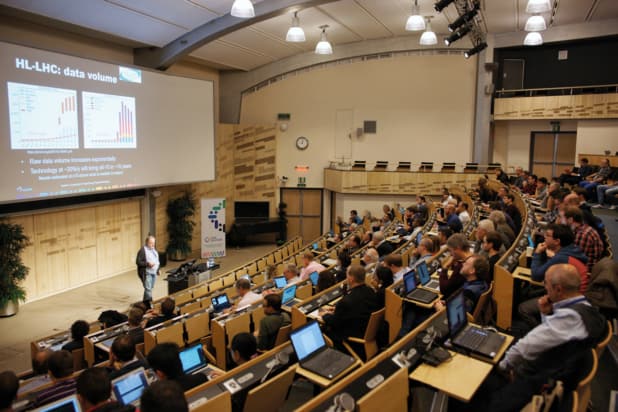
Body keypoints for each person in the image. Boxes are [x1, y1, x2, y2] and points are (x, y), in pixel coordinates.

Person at [468, 264, 606, 412]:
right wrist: (546, 315)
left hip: (538, 379)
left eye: (546, 283)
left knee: (480, 382)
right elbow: (551, 338)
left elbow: (527, 347)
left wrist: (502, 366)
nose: (544, 287)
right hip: (556, 367)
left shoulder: (569, 318)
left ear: (558, 289)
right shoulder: (585, 307)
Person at [322, 264, 379, 349]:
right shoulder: (371, 291)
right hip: (367, 330)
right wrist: (337, 309)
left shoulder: (346, 302)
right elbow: (357, 308)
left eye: (347, 275)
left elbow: (334, 322)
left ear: (351, 279)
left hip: (353, 338)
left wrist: (324, 315)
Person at [564, 207, 603, 273]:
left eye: (565, 219)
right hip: (590, 264)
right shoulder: (584, 227)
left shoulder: (582, 235)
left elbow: (576, 258)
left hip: (586, 269)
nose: (564, 221)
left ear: (570, 219)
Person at [439, 234, 472, 299]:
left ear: (457, 249)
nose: (451, 254)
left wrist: (445, 268)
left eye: (451, 250)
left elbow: (444, 290)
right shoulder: (474, 258)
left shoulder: (462, 267)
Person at [135, 235, 160, 308]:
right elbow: (138, 262)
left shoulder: (154, 251)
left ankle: (144, 303)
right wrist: (147, 264)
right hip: (146, 273)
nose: (153, 245)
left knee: (149, 288)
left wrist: (158, 269)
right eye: (151, 243)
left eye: (153, 243)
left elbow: (157, 261)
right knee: (148, 289)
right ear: (147, 243)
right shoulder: (142, 250)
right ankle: (149, 304)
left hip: (153, 272)